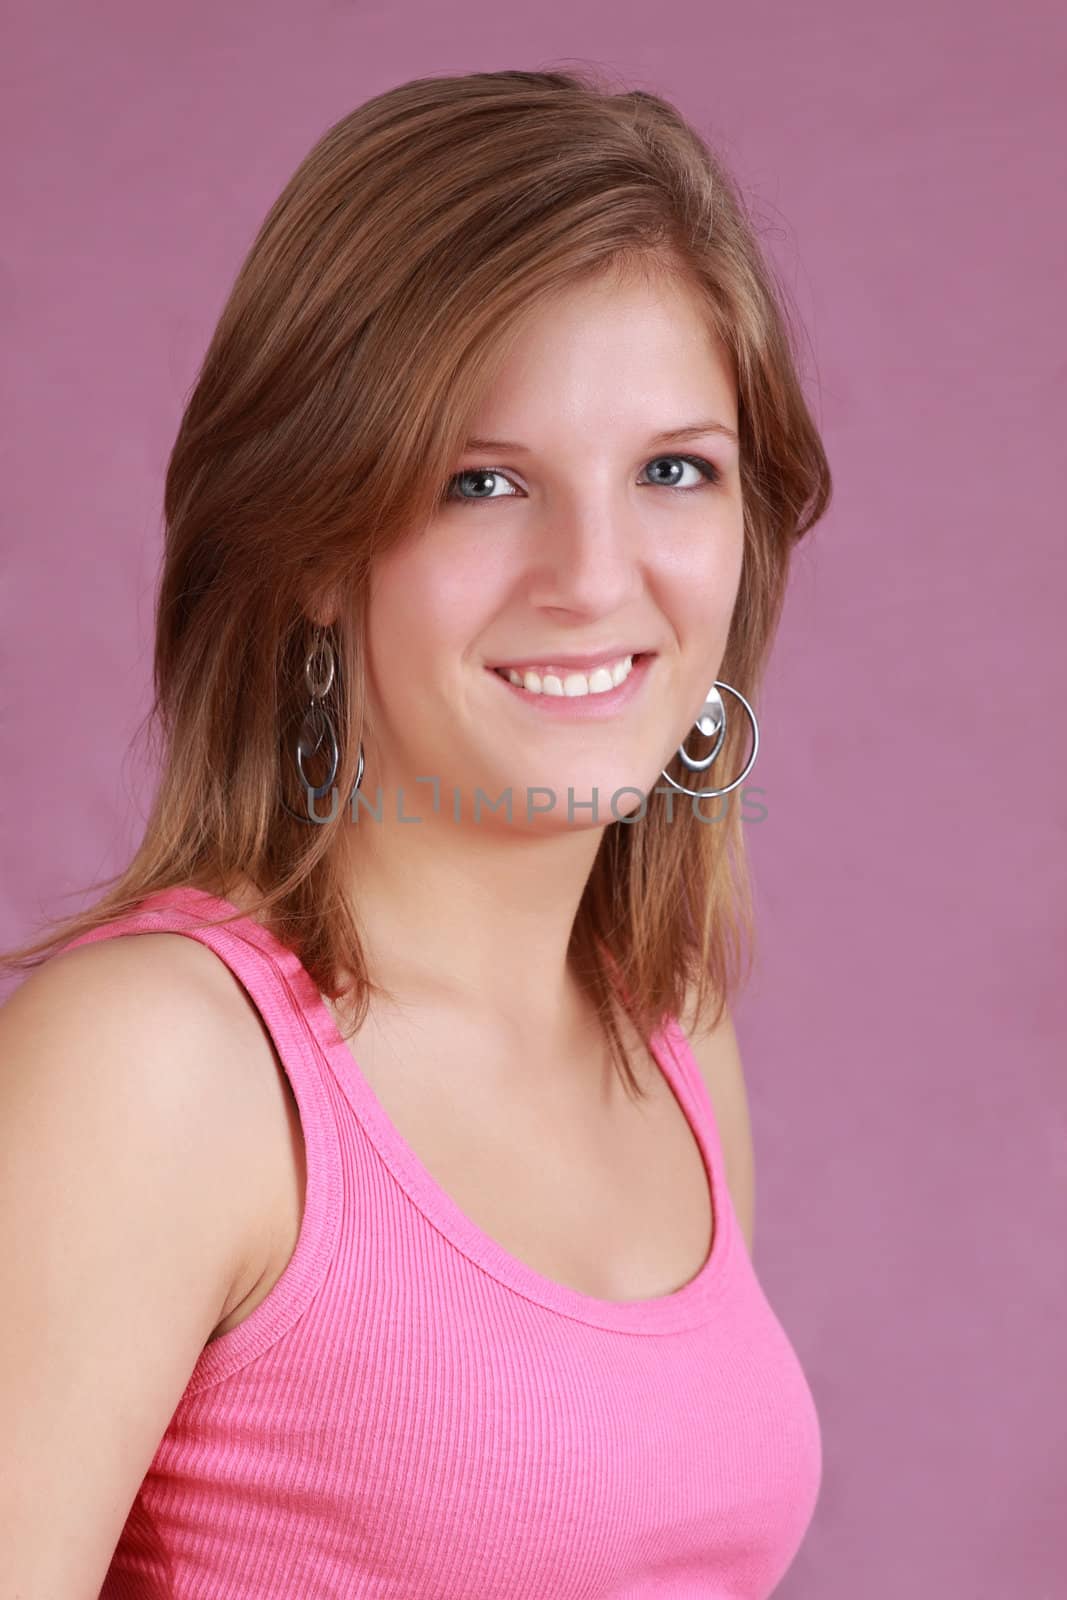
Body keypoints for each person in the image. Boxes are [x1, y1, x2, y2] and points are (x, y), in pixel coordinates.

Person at [0, 66, 832, 1598]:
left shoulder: (666, 1033)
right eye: (481, 481)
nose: (596, 575)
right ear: (315, 544)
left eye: (672, 470)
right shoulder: (158, 1066)